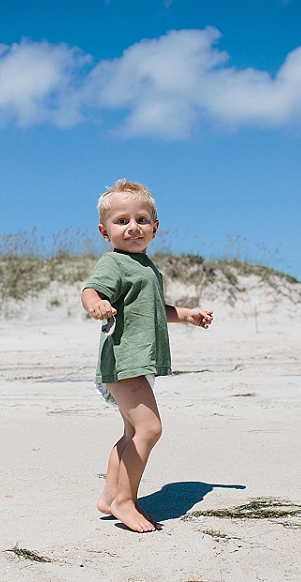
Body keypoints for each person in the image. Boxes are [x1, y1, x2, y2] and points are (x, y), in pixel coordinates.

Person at [81, 179, 214, 533]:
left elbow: (154, 309)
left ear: (155, 228)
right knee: (149, 428)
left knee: (130, 432)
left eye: (141, 220)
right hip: (124, 360)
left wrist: (185, 314)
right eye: (121, 221)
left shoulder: (145, 266)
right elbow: (91, 289)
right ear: (104, 231)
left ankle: (111, 497)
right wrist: (95, 303)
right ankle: (125, 502)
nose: (133, 227)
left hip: (135, 361)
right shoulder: (116, 263)